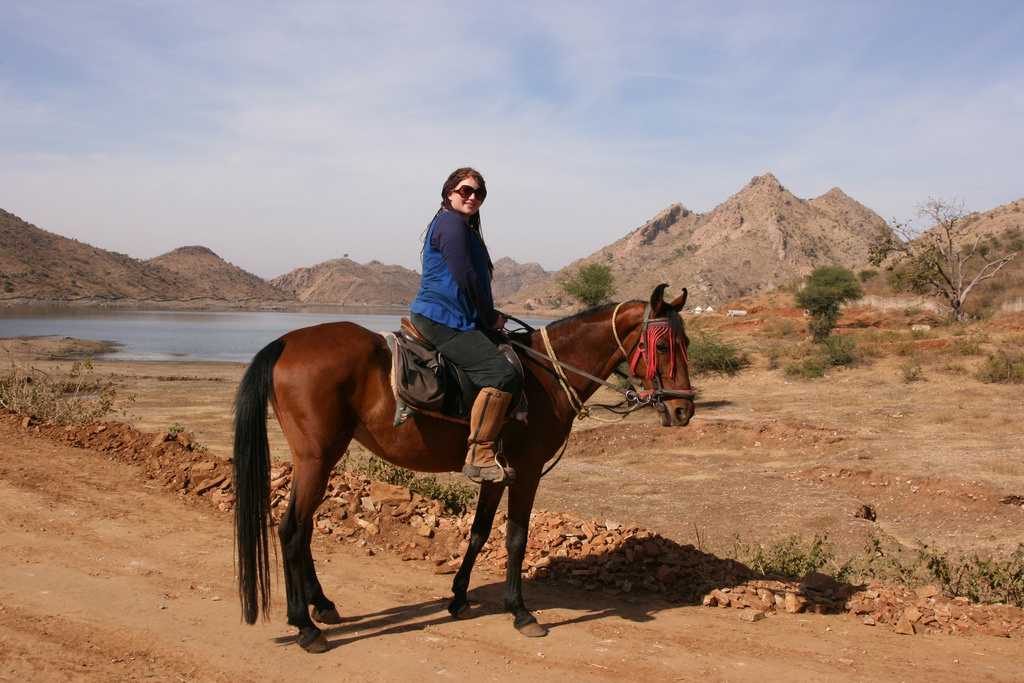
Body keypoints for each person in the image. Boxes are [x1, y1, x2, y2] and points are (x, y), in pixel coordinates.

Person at [410, 167, 520, 484]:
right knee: (502, 373)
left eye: (479, 193)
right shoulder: (451, 224)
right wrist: (489, 317)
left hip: (457, 316)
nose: (472, 197)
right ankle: (480, 452)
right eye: (465, 190)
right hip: (442, 318)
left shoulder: (458, 225)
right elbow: (467, 277)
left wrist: (487, 315)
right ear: (449, 192)